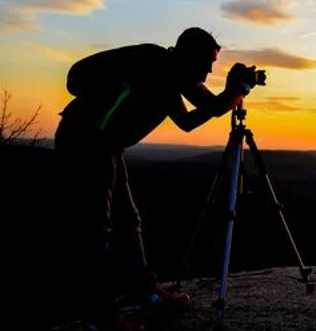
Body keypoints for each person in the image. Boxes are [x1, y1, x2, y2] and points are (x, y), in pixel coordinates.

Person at [53, 27, 255, 329]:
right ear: (189, 55)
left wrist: (234, 93)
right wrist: (234, 92)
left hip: (104, 145)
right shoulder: (156, 63)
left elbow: (194, 117)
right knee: (97, 227)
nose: (210, 69)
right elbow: (205, 110)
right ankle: (98, 314)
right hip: (86, 142)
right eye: (208, 61)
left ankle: (143, 290)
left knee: (127, 219)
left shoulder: (171, 76)